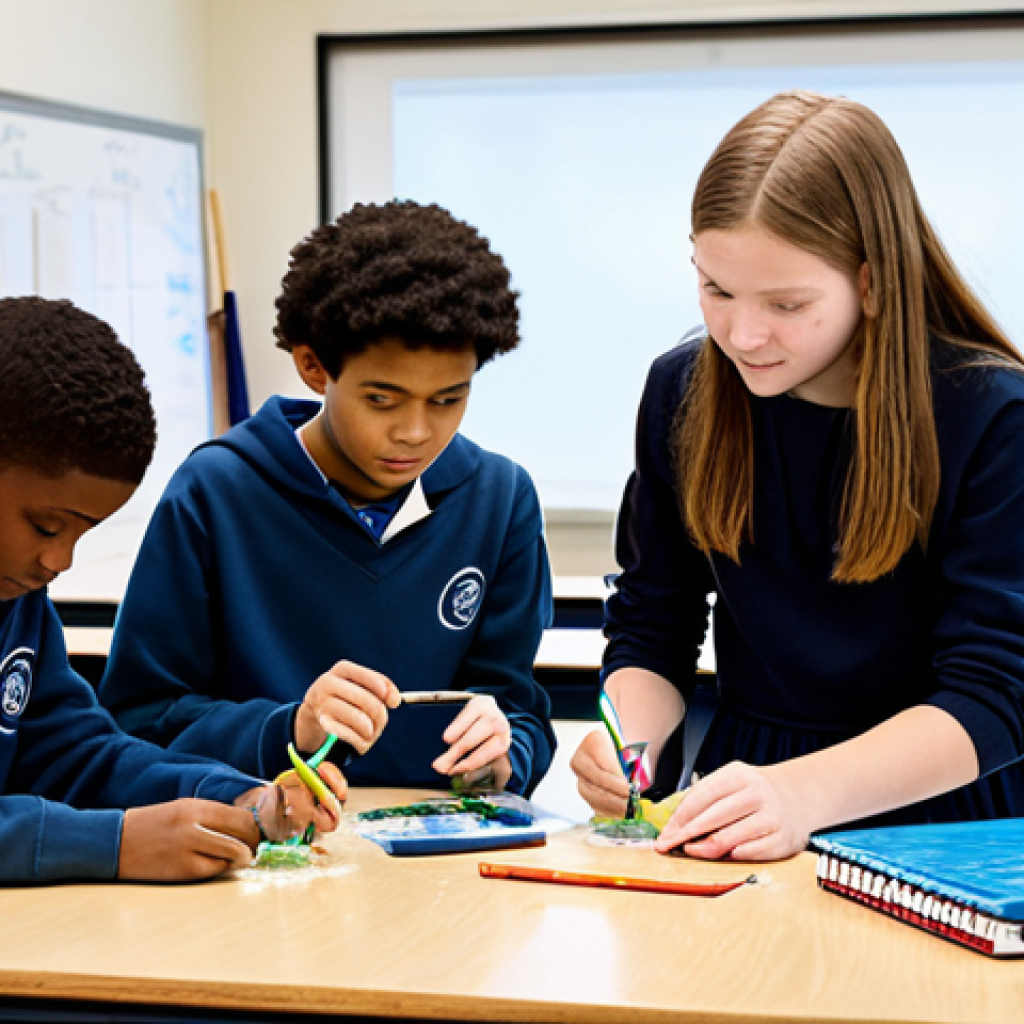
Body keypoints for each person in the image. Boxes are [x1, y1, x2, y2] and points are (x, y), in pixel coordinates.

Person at [571, 90, 1024, 861]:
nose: (743, 335)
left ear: (875, 281)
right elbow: (654, 623)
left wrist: (802, 795)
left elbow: (994, 696)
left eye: (787, 303)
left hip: (947, 821)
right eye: (716, 289)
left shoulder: (993, 416)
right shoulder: (681, 390)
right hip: (745, 799)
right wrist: (630, 751)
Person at [100, 200, 555, 795]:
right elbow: (137, 721)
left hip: (441, 856)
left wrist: (504, 755)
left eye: (447, 399)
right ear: (314, 368)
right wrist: (289, 729)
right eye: (382, 400)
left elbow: (519, 714)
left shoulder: (500, 500)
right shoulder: (216, 492)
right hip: (267, 852)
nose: (415, 432)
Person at [0, 296, 345, 883]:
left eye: (85, 533)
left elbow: (79, 754)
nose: (59, 560)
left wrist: (238, 798)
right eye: (47, 525)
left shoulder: (17, 600)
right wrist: (109, 842)